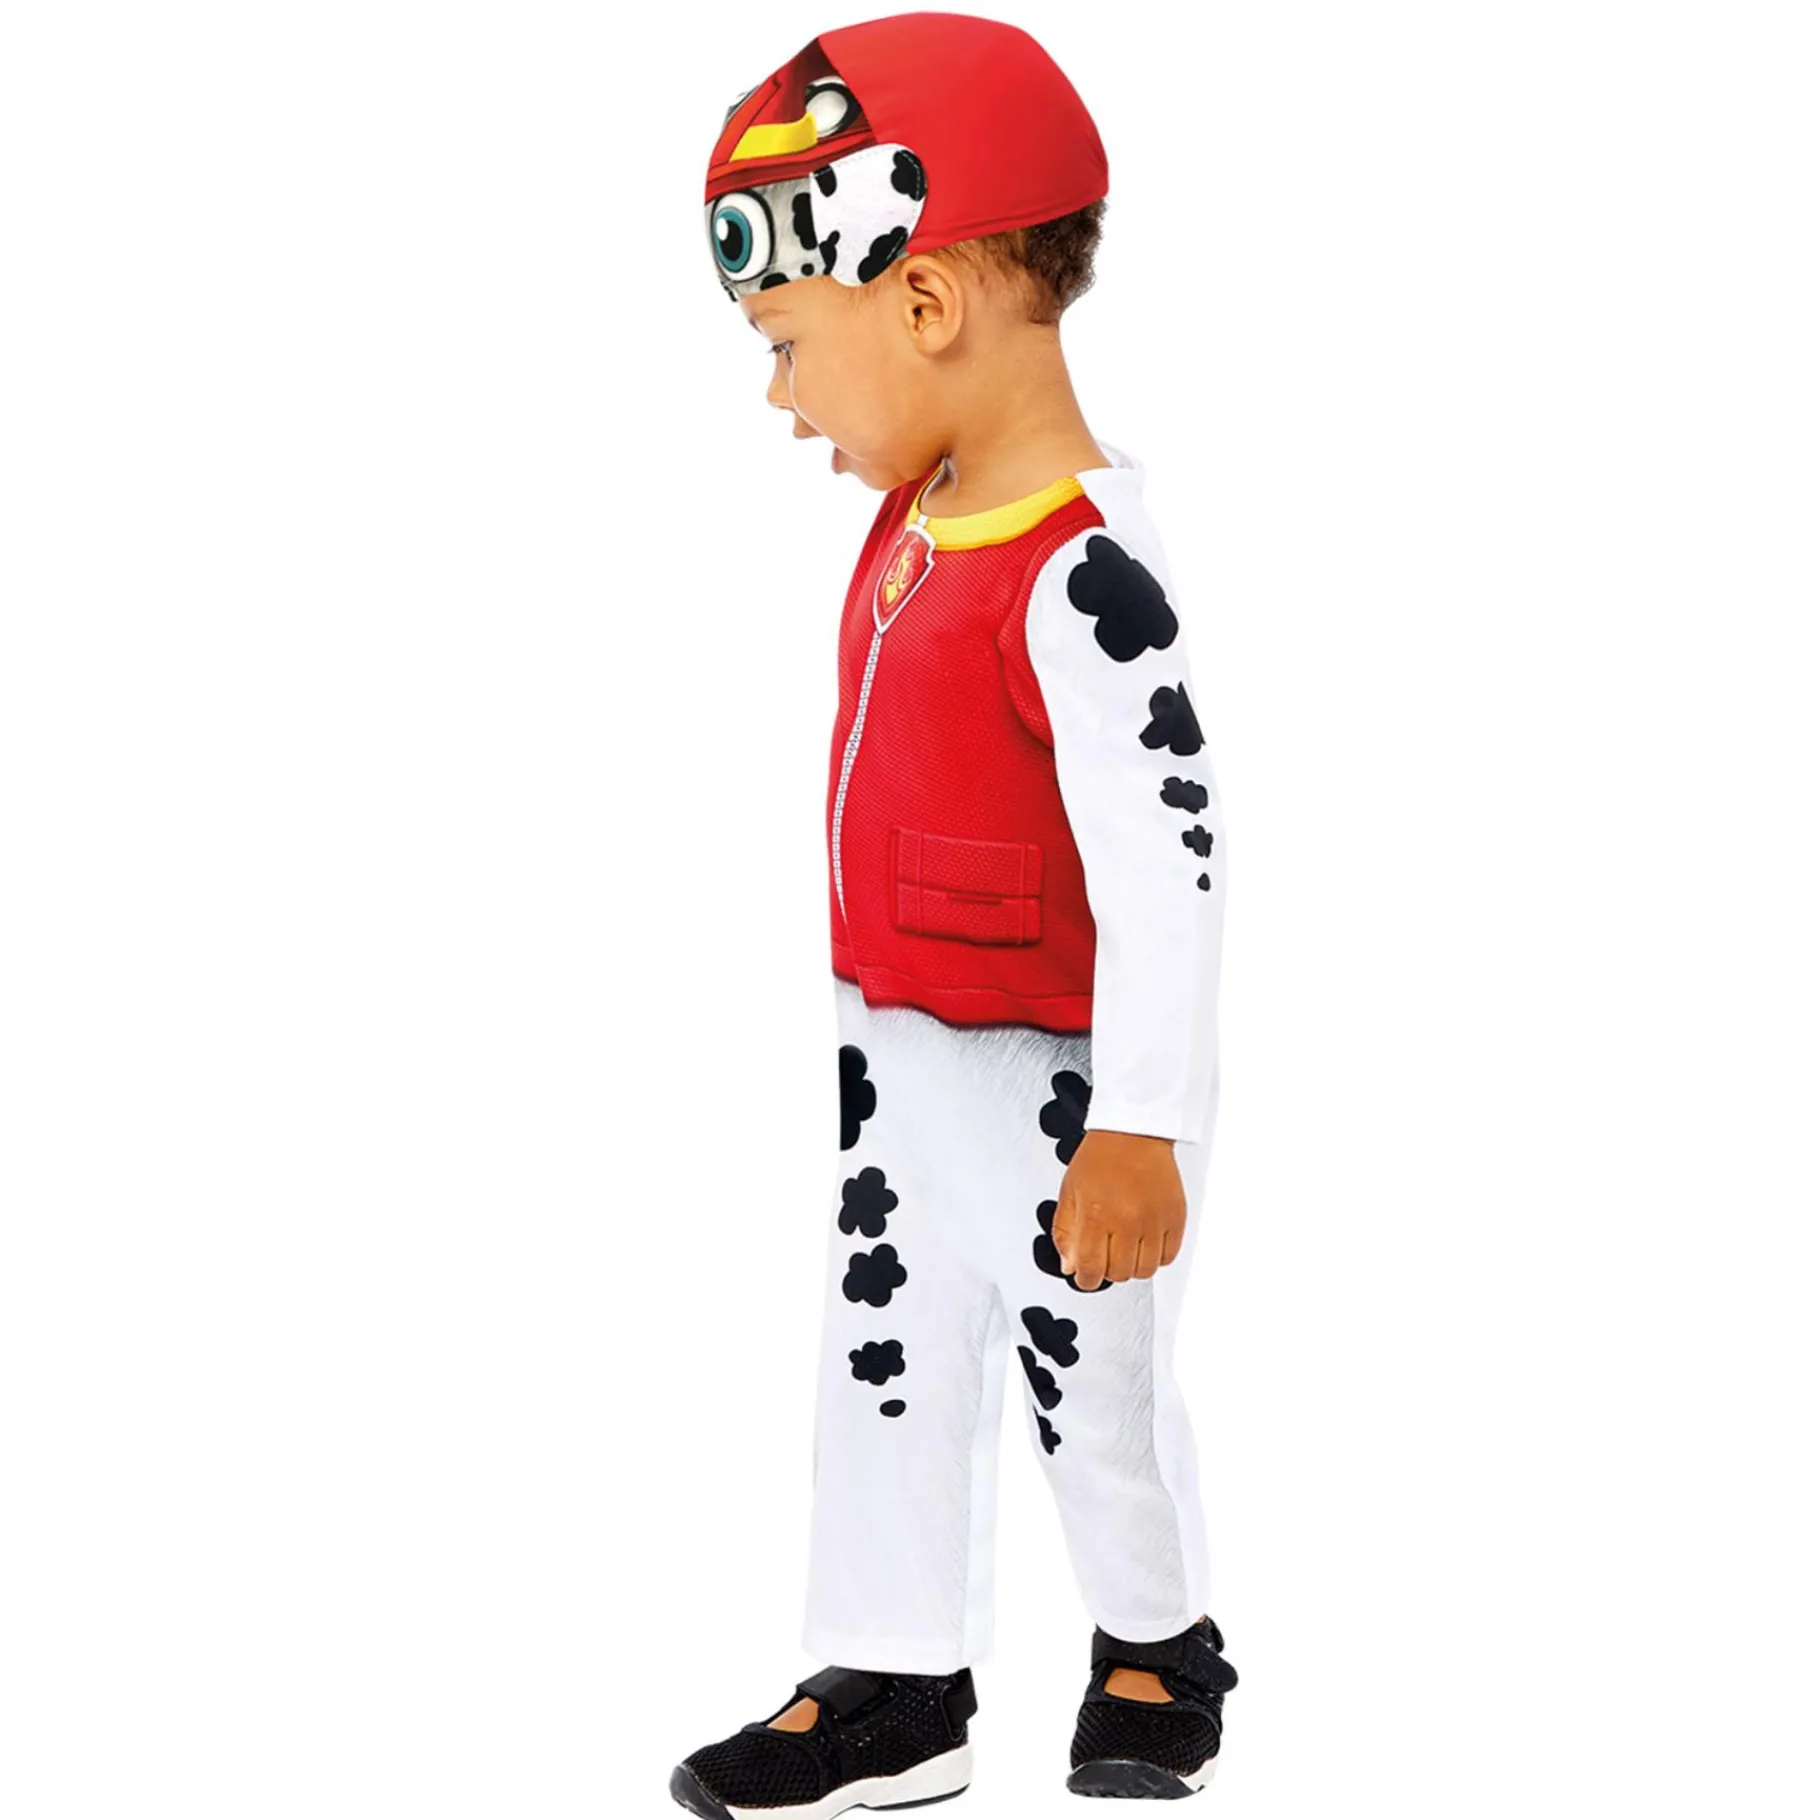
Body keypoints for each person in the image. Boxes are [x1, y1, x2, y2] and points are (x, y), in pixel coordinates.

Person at [674, 14, 1239, 1813]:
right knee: (885, 1363)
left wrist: (1141, 1121)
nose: (780, 400)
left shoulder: (1083, 576)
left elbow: (1169, 864)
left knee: (1093, 1382)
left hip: (1054, 1079)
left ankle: (1155, 1643)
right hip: (893, 1063)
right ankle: (894, 1670)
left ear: (923, 302)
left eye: (785, 346)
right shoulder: (917, 521)